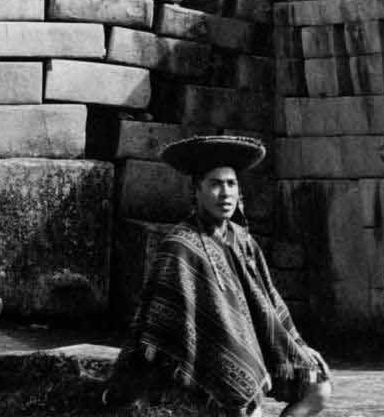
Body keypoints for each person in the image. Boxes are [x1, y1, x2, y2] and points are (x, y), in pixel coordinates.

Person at [105, 135, 331, 417]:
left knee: (318, 388)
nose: (225, 193)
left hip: (252, 350)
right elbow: (163, 322)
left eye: (231, 184)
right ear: (197, 191)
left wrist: (298, 346)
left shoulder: (243, 240)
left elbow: (269, 303)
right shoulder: (180, 247)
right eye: (215, 184)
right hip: (201, 362)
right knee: (246, 404)